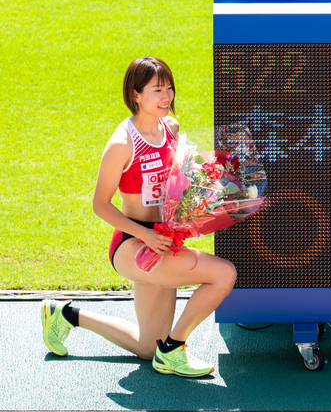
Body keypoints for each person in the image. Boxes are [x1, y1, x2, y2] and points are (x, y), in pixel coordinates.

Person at [41, 56, 237, 378]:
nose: (166, 97)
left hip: (164, 238)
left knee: (147, 346)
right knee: (223, 274)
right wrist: (145, 235)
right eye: (157, 90)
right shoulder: (121, 144)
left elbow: (179, 182)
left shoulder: (170, 128)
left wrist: (198, 202)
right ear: (136, 94)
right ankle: (173, 351)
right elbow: (100, 205)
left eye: (169, 88)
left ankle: (65, 314)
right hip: (134, 244)